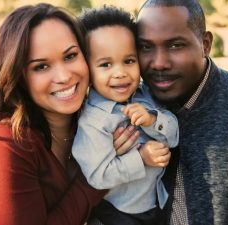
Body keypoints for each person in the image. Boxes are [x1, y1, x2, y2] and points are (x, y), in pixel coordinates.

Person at [0, 3, 107, 225]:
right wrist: (101, 177)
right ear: (17, 76)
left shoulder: (92, 121)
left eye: (70, 56)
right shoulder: (5, 140)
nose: (64, 76)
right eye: (41, 67)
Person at [117, 0, 228, 224]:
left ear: (205, 44)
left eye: (175, 45)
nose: (159, 63)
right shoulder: (123, 108)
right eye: (146, 47)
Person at [72, 6, 179, 225]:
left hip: (157, 204)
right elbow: (98, 175)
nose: (120, 72)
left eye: (129, 61)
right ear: (87, 69)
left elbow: (174, 134)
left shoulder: (146, 96)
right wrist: (141, 159)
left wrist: (152, 120)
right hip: (116, 214)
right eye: (106, 64)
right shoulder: (93, 121)